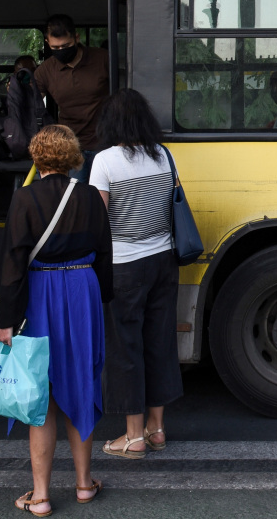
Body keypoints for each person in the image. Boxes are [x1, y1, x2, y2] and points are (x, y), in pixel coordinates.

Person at [0, 124, 113, 516]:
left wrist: (7, 320)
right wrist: (103, 303)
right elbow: (105, 253)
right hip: (84, 289)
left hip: (40, 292)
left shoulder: (24, 199)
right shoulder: (92, 198)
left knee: (39, 393)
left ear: (37, 156)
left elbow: (12, 262)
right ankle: (83, 485)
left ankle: (41, 495)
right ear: (73, 156)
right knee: (81, 383)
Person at [89, 89, 184, 459]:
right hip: (163, 259)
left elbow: (98, 222)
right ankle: (157, 429)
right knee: (159, 343)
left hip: (123, 267)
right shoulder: (164, 155)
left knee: (125, 347)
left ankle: (132, 436)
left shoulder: (105, 162)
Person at [33, 14, 110, 182]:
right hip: (70, 148)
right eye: (56, 48)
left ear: (76, 38)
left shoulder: (103, 59)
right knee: (74, 198)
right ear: (47, 43)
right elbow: (32, 105)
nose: (61, 51)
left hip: (105, 143)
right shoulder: (45, 71)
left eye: (66, 46)